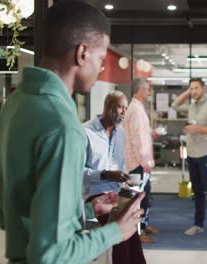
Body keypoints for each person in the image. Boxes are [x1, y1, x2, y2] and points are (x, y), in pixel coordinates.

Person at [0, 2, 144, 263]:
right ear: (82, 53)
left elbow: (19, 214)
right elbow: (53, 254)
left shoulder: (16, 104)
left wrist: (87, 207)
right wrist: (115, 232)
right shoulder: (62, 123)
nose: (100, 68)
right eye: (100, 59)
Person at [83, 91, 146, 264]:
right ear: (108, 107)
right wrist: (105, 175)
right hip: (93, 194)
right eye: (120, 107)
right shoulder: (86, 132)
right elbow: (77, 173)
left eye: (126, 108)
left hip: (116, 193)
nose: (124, 112)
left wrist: (126, 181)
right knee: (121, 227)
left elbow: (122, 166)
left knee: (132, 228)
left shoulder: (121, 134)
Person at [172, 77, 207, 241]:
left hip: (204, 153)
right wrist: (187, 92)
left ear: (203, 89)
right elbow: (174, 105)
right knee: (197, 192)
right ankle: (199, 224)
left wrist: (197, 129)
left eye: (196, 88)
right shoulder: (192, 105)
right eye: (191, 88)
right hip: (191, 153)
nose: (194, 91)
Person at [124, 78, 160, 243]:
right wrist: (145, 163)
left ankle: (144, 226)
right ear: (139, 90)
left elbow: (139, 132)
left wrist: (150, 132)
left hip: (139, 162)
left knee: (145, 196)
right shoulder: (136, 110)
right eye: (146, 89)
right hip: (137, 164)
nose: (148, 92)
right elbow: (136, 140)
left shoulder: (137, 107)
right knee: (138, 198)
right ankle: (137, 233)